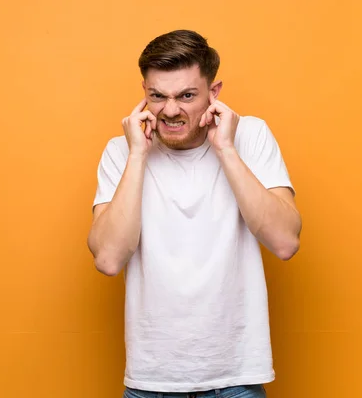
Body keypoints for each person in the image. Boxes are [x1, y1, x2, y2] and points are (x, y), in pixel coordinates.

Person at [87, 30, 302, 398]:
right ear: (144, 92)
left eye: (187, 96)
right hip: (150, 381)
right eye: (157, 96)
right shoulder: (121, 151)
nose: (170, 110)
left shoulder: (250, 136)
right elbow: (108, 258)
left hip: (235, 378)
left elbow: (284, 242)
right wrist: (137, 154)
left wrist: (227, 150)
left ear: (214, 92)